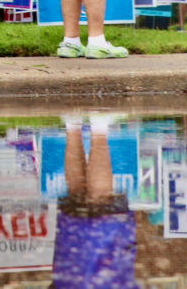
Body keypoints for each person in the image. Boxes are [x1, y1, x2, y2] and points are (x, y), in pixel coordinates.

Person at [51, 114, 137, 288]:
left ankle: (98, 127)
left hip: (102, 245)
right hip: (70, 269)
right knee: (75, 195)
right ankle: (72, 124)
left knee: (101, 201)